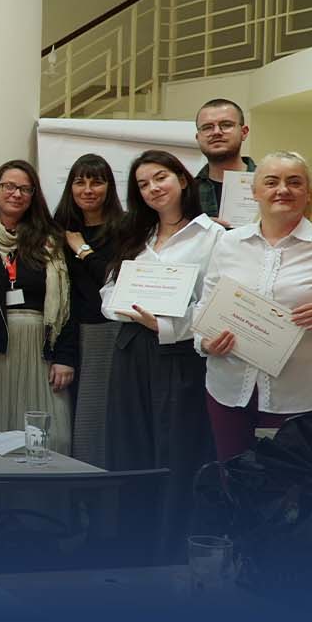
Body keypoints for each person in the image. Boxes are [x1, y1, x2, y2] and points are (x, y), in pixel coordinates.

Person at [198, 151, 312, 461]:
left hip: (300, 395)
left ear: (308, 192)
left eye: (294, 182)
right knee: (232, 479)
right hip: (228, 389)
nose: (282, 190)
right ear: (254, 192)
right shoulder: (229, 243)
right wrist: (205, 343)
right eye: (271, 182)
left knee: (293, 484)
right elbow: (205, 310)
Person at [100, 150, 221, 549]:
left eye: (160, 178)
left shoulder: (214, 237)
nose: (152, 188)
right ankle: (128, 544)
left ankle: (168, 546)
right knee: (128, 444)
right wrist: (121, 307)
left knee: (176, 448)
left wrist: (165, 325)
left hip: (179, 354)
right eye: (142, 184)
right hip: (130, 349)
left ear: (182, 180)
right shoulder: (137, 235)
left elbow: (214, 306)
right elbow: (108, 290)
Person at [0, 160, 76, 454]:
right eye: (9, 186)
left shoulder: (51, 240)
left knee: (50, 438)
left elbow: (68, 303)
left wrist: (65, 357)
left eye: (25, 189)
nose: (17, 194)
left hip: (40, 350)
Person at [54, 153, 125, 467]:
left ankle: (99, 483)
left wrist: (82, 250)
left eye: (96, 182)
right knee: (65, 418)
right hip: (68, 333)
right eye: (80, 182)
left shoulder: (125, 228)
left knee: (95, 419)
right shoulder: (60, 229)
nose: (87, 190)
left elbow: (115, 280)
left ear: (109, 187)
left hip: (107, 332)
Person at [193, 98, 256, 226]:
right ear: (198, 138)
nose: (216, 132)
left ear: (244, 132)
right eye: (207, 127)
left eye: (226, 125)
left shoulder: (271, 184)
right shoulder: (187, 192)